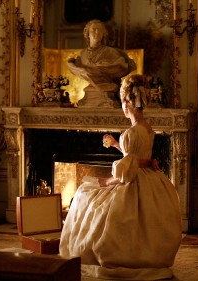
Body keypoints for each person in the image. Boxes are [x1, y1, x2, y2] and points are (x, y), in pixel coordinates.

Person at [59, 74, 182, 280]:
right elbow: (136, 157)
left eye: (122, 102)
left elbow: (128, 172)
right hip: (148, 178)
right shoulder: (147, 128)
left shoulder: (132, 132)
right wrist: (117, 144)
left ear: (126, 103)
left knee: (85, 193)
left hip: (131, 180)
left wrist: (106, 181)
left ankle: (102, 253)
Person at [67, 19, 137, 94]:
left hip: (108, 87)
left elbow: (121, 65)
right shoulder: (81, 56)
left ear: (104, 34)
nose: (97, 32)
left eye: (100, 30)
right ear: (87, 34)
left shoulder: (111, 52)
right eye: (94, 30)